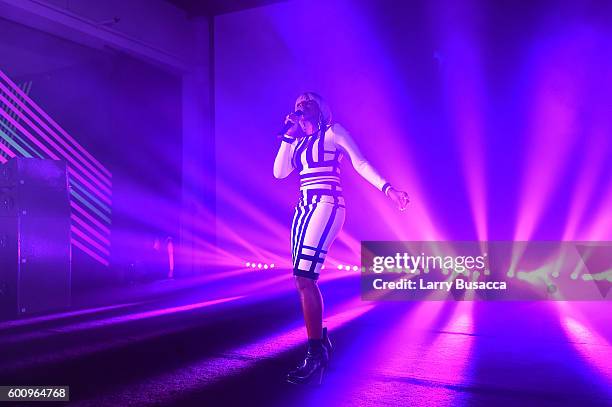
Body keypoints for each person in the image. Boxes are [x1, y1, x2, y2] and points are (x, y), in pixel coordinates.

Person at [273, 92, 409, 384]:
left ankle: (315, 352)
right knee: (302, 280)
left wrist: (389, 190)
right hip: (303, 207)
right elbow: (279, 172)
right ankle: (319, 344)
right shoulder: (297, 142)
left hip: (327, 203)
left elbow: (360, 163)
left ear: (321, 107)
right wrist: (288, 135)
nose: (302, 103)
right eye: (298, 101)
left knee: (305, 278)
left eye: (309, 100)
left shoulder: (333, 132)